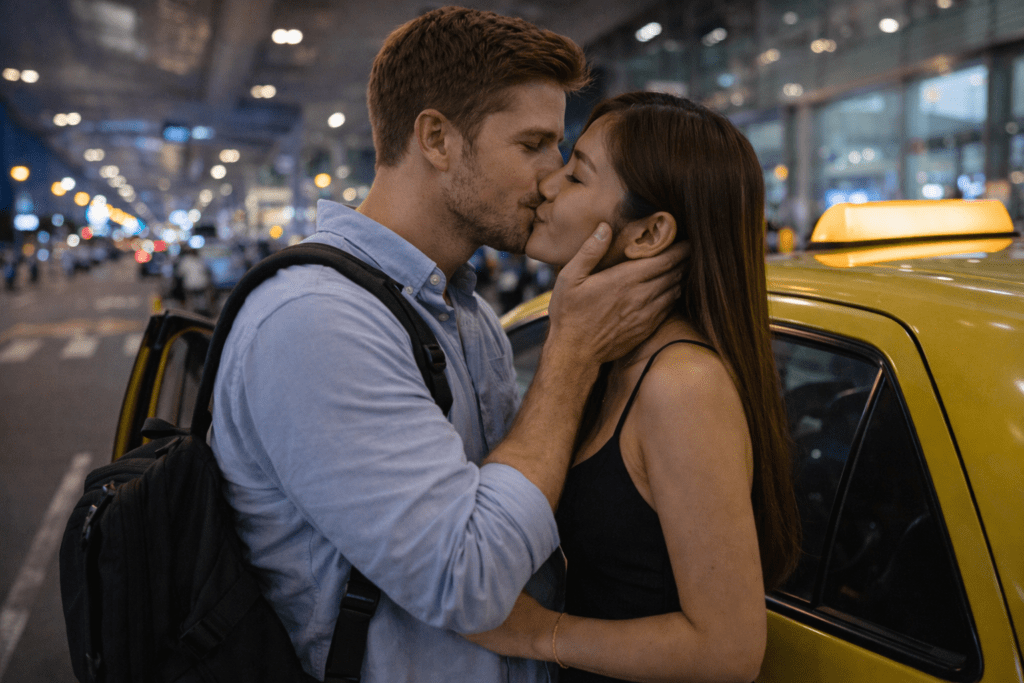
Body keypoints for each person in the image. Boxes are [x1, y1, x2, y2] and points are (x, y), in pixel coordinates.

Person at [209, 9, 684, 683]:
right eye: (533, 144)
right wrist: (572, 351)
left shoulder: (463, 311)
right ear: (436, 138)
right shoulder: (315, 322)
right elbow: (467, 581)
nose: (553, 177)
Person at [464, 92, 802, 682]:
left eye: (577, 175)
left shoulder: (681, 384)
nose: (548, 184)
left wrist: (536, 632)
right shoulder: (609, 355)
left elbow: (730, 650)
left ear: (648, 235)